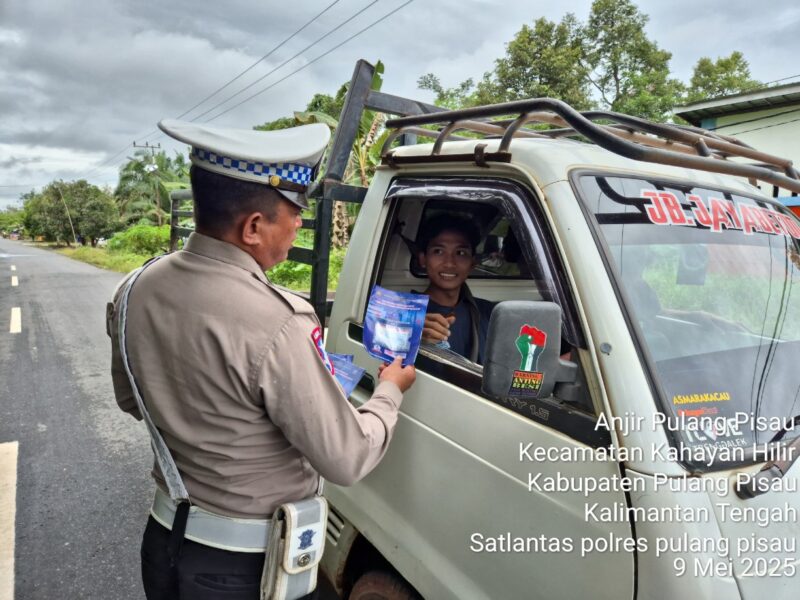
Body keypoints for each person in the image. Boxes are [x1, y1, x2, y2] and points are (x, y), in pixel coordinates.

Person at [107, 119, 416, 600]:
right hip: (245, 569)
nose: (298, 225)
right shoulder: (278, 321)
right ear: (253, 226)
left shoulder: (134, 288)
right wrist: (389, 392)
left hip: (165, 544)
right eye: (294, 212)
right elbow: (348, 457)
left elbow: (131, 399)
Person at [417, 214, 495, 364]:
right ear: (423, 259)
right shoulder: (405, 313)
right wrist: (413, 338)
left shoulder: (488, 312)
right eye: (438, 251)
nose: (449, 263)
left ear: (472, 263)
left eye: (460, 253)